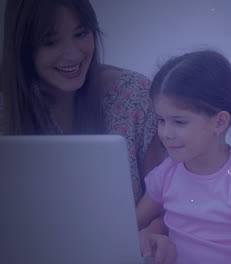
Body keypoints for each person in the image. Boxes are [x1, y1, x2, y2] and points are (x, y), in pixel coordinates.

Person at [0, 1, 175, 263]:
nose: (72, 54)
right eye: (50, 41)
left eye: (81, 34)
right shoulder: (6, 106)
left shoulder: (134, 94)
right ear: (23, 48)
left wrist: (153, 232)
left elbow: (165, 198)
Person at [137, 50, 231, 264]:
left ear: (219, 123)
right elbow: (133, 224)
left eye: (179, 122)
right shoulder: (167, 172)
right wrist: (145, 235)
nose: (165, 133)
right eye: (161, 120)